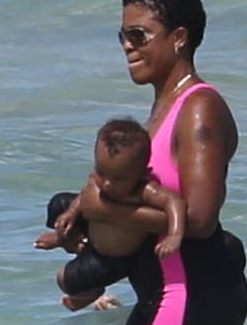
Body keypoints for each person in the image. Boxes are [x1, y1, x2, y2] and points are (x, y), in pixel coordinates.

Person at [42, 0, 247, 325]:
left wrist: (107, 211)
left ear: (178, 38)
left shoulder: (199, 109)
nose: (127, 46)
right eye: (123, 35)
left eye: (139, 35)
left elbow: (199, 220)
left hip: (194, 294)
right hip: (158, 292)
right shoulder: (161, 109)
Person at [35, 118, 186, 311]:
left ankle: (90, 294)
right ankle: (66, 238)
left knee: (65, 280)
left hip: (113, 257)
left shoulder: (144, 190)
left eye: (118, 179)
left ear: (142, 173)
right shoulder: (101, 180)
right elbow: (86, 195)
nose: (106, 183)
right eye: (101, 172)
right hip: (92, 232)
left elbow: (174, 202)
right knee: (59, 205)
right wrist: (72, 212)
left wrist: (175, 234)